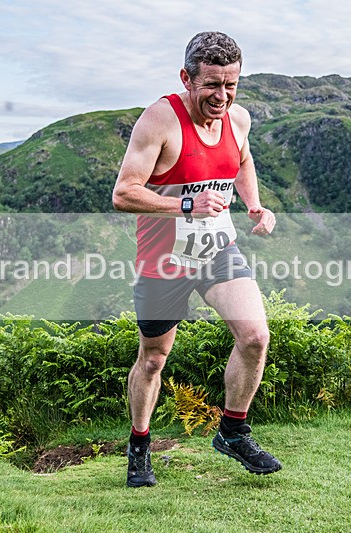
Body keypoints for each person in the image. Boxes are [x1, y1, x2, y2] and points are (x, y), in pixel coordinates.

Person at [112, 31, 281, 488]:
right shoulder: (159, 120)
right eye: (211, 85)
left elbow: (242, 161)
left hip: (216, 249)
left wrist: (254, 205)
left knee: (254, 337)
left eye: (231, 85)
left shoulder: (238, 119)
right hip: (163, 260)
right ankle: (139, 444)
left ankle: (232, 431)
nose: (222, 96)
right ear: (187, 79)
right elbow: (124, 193)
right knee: (153, 359)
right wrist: (186, 204)